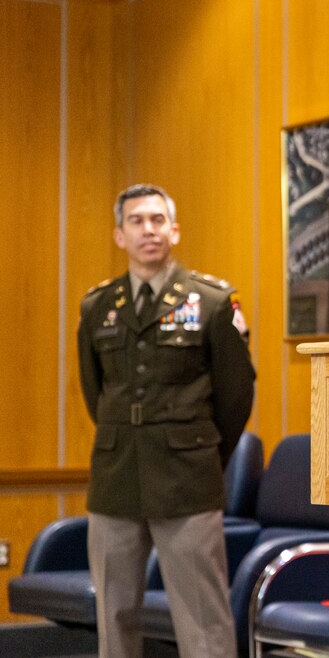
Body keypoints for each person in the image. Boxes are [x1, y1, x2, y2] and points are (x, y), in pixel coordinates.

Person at [77, 184, 256, 658]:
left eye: (157, 220)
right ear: (119, 235)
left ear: (174, 230)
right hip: (116, 479)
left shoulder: (213, 302)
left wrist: (201, 452)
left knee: (203, 620)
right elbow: (95, 394)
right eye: (136, 221)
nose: (148, 230)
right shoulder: (97, 307)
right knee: (114, 620)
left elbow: (236, 395)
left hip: (187, 479)